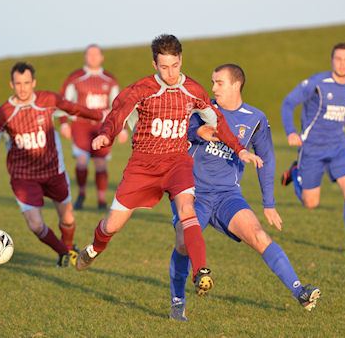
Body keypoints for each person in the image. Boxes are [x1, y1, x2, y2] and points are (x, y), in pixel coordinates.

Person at [75, 35, 263, 299]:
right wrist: (106, 134)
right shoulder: (141, 89)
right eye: (164, 67)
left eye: (174, 65)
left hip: (177, 162)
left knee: (188, 210)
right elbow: (117, 112)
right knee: (112, 226)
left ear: (181, 60)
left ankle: (201, 271)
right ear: (154, 64)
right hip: (143, 165)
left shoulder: (193, 90)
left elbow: (217, 120)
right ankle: (94, 249)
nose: (170, 72)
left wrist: (240, 148)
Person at [167, 64, 321, 321]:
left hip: (228, 195)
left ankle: (300, 292)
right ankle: (177, 302)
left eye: (219, 82)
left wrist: (268, 203)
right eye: (212, 82)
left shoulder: (255, 118)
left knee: (259, 235)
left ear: (236, 84)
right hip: (194, 193)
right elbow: (181, 133)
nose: (213, 88)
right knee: (183, 242)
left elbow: (267, 159)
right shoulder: (203, 110)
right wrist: (198, 132)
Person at [0, 62, 104, 267]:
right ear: (11, 84)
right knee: (35, 225)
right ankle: (65, 253)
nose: (23, 88)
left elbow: (74, 109)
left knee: (68, 219)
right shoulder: (4, 113)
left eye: (27, 83)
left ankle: (68, 248)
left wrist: (102, 116)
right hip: (24, 177)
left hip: (53, 171)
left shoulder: (48, 100)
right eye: (18, 83)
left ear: (33, 82)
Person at [280, 42, 345, 254]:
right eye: (338, 59)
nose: (342, 63)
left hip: (339, 147)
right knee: (311, 203)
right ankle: (295, 171)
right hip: (312, 149)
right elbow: (288, 103)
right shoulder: (317, 83)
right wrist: (291, 131)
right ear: (332, 60)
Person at [58, 44, 126, 210]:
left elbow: (118, 106)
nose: (93, 57)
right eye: (90, 54)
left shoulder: (109, 80)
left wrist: (122, 128)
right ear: (85, 57)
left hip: (102, 127)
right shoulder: (76, 78)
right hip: (81, 125)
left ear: (102, 57)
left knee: (101, 163)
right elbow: (64, 102)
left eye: (96, 54)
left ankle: (101, 199)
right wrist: (64, 123)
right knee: (81, 162)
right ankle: (81, 194)